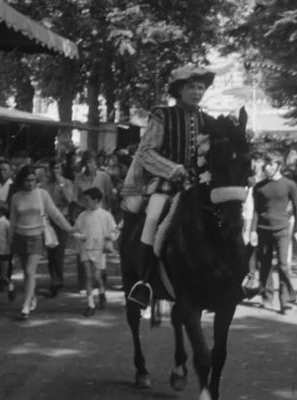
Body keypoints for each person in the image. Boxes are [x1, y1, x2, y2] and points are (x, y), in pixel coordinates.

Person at [121, 65, 216, 308]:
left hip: (200, 187)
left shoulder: (209, 121)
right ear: (180, 89)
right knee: (152, 218)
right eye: (192, 87)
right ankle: (143, 282)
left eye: (201, 87)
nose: (197, 91)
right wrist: (173, 169)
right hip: (166, 185)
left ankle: (232, 277)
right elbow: (146, 153)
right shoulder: (162, 115)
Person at [10, 166, 74, 319]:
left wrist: (70, 228)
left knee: (31, 271)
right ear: (21, 181)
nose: (30, 183)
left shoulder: (42, 194)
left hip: (37, 236)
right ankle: (31, 296)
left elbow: (55, 214)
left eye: (32, 180)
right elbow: (13, 221)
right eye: (27, 180)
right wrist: (9, 242)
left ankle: (25, 305)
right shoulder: (16, 197)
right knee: (26, 271)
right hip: (20, 235)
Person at [250, 151, 297, 314]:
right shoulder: (259, 187)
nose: (267, 167)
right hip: (263, 230)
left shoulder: (289, 185)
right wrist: (253, 230)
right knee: (264, 265)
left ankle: (286, 301)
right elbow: (256, 211)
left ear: (279, 165)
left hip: (282, 229)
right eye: (266, 164)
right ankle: (267, 297)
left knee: (283, 265)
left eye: (271, 164)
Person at [73, 187, 118, 317]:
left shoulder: (106, 215)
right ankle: (90, 304)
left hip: (99, 249)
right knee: (88, 275)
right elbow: (75, 230)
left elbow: (114, 231)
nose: (85, 203)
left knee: (97, 276)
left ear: (96, 200)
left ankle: (102, 291)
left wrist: (111, 237)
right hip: (86, 249)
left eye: (87, 200)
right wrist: (79, 237)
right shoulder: (83, 215)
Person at [41, 159, 75, 297]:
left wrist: (61, 183)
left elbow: (69, 199)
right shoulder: (45, 185)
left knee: (59, 252)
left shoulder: (67, 183)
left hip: (62, 219)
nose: (56, 171)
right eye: (54, 168)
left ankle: (57, 280)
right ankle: (54, 279)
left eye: (59, 168)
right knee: (51, 251)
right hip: (49, 221)